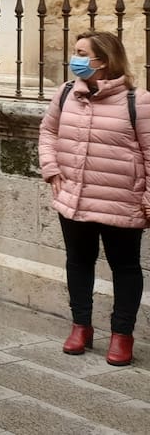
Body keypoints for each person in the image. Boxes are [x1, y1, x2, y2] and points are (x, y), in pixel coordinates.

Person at [38, 31, 150, 367]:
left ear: (103, 60)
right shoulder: (67, 93)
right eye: (76, 52)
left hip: (121, 199)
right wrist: (51, 168)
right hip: (73, 196)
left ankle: (121, 334)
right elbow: (48, 132)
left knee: (125, 266)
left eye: (82, 53)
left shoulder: (137, 100)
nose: (76, 59)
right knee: (79, 261)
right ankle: (81, 327)